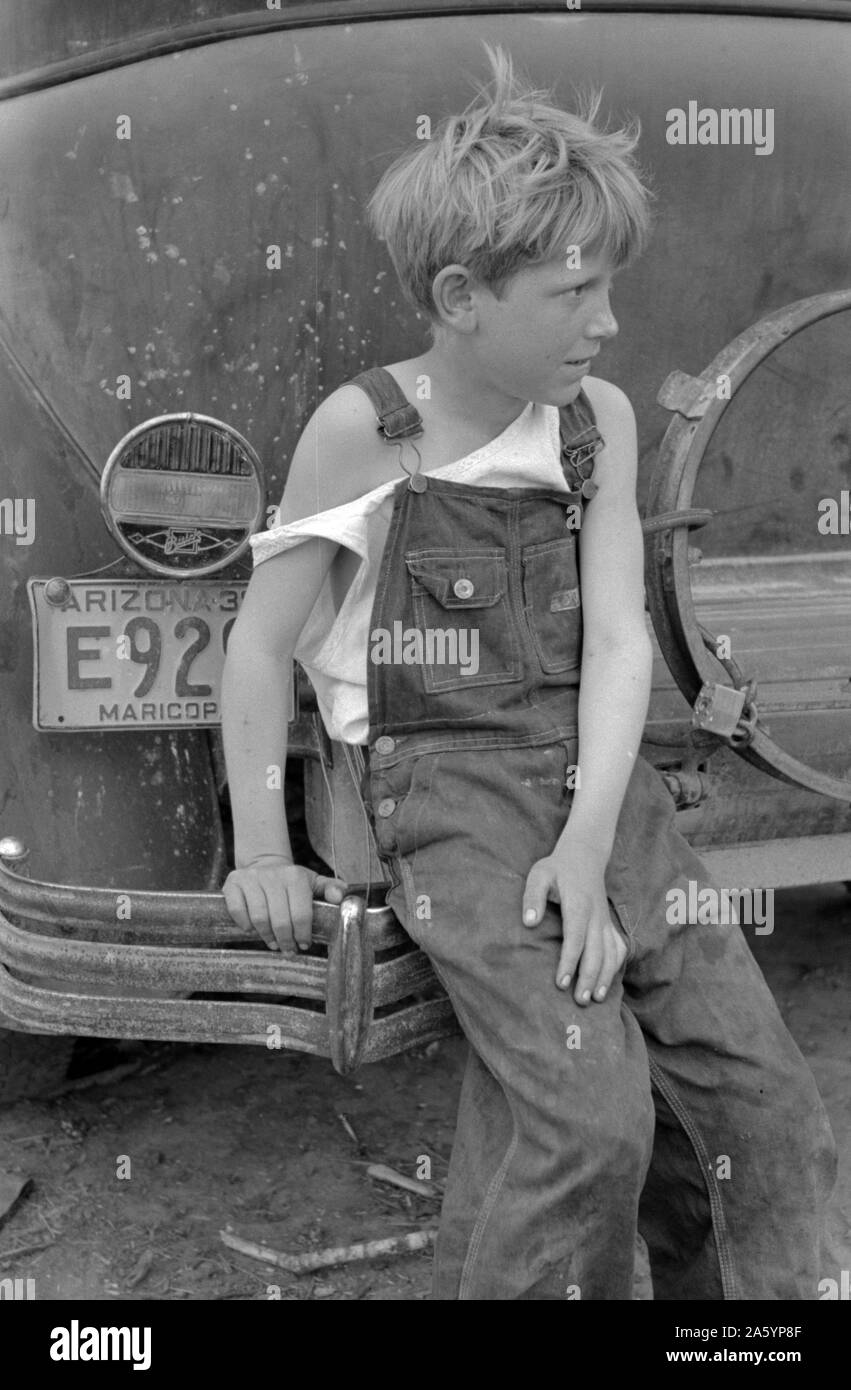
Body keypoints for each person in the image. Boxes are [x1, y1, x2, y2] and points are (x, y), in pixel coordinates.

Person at [220, 47, 835, 1300]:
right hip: (440, 789)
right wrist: (261, 849)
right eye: (573, 291)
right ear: (459, 294)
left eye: (609, 287)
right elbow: (256, 644)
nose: (606, 320)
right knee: (584, 1114)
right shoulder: (365, 432)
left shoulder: (592, 419)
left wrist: (592, 848)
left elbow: (614, 645)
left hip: (595, 771)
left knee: (758, 1099)